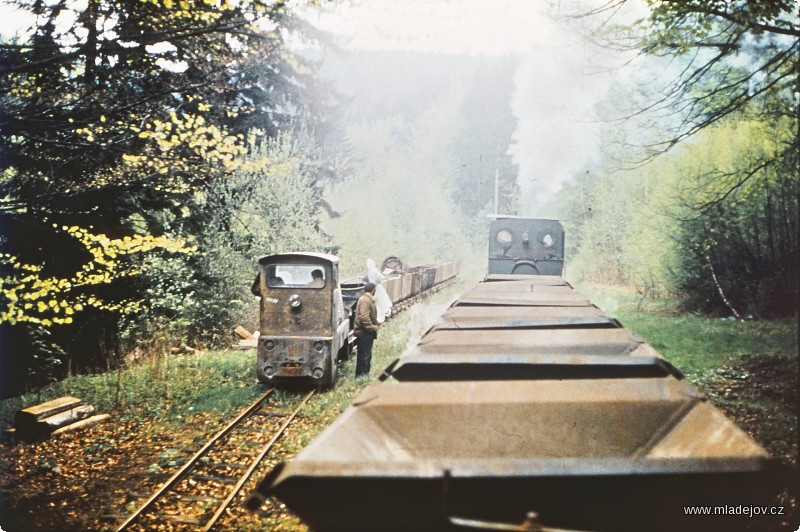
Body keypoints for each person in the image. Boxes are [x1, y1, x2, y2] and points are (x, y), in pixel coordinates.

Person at [354, 282, 379, 377]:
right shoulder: (365, 300)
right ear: (373, 289)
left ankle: (365, 374)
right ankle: (361, 376)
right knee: (364, 356)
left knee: (366, 355)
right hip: (364, 332)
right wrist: (372, 328)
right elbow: (364, 317)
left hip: (365, 332)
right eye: (375, 289)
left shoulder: (367, 299)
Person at [365, 258, 392, 323]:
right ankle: (384, 314)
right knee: (381, 301)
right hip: (377, 287)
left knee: (378, 303)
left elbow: (371, 279)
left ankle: (379, 317)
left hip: (374, 288)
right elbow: (381, 277)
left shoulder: (370, 271)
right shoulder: (374, 270)